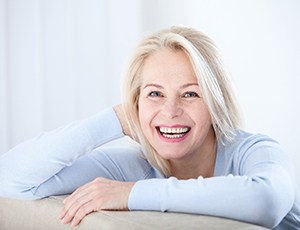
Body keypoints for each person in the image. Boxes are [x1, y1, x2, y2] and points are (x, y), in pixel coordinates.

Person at [0, 26, 299, 229]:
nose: (170, 111)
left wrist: (131, 194)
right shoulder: (134, 165)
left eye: (191, 93)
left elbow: (267, 202)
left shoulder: (255, 150)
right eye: (154, 94)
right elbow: (12, 180)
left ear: (216, 102)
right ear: (136, 102)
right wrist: (114, 119)